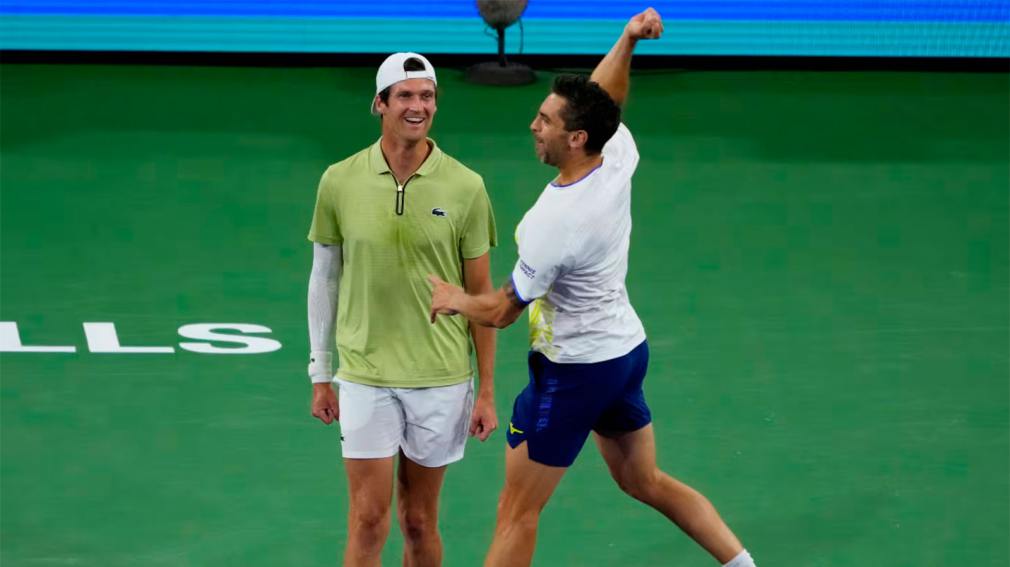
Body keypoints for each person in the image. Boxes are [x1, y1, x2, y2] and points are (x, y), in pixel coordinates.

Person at [429, 9, 757, 567]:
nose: (533, 126)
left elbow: (503, 310)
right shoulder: (615, 154)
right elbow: (607, 96)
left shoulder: (555, 223)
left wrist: (454, 298)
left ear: (576, 138)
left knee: (517, 511)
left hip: (573, 373)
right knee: (643, 480)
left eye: (545, 120)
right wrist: (627, 40)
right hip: (624, 353)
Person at [307, 51, 498, 567]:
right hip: (365, 373)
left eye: (427, 96)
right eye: (406, 96)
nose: (418, 106)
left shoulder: (466, 186)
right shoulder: (339, 180)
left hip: (441, 377)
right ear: (380, 104)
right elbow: (324, 278)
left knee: (418, 520)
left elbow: (480, 293)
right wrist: (321, 373)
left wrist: (486, 390)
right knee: (368, 520)